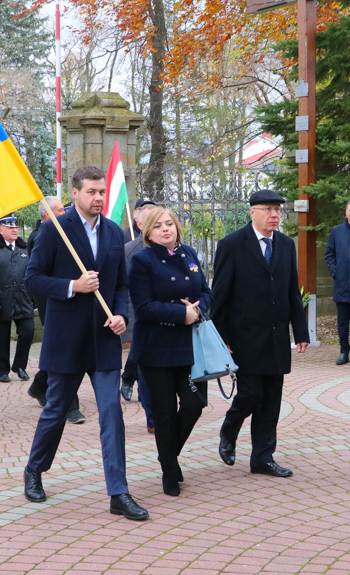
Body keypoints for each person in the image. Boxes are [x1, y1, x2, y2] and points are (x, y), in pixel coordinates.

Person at [23, 165, 147, 521]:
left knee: (112, 414)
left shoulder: (113, 232)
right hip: (66, 339)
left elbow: (121, 284)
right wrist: (71, 286)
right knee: (56, 410)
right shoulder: (54, 231)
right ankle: (34, 469)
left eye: (102, 192)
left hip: (104, 340)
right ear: (74, 193)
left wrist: (121, 314)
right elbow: (32, 279)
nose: (98, 198)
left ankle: (118, 493)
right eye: (91, 192)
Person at [213, 189, 309, 478]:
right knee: (251, 392)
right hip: (244, 337)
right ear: (252, 212)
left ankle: (263, 458)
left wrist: (301, 331)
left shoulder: (285, 245)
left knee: (271, 399)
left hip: (276, 336)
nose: (275, 215)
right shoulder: (231, 244)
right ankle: (229, 430)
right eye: (268, 209)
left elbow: (293, 290)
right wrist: (222, 338)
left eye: (278, 210)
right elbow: (220, 296)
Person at [129, 207, 212, 496]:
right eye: (158, 226)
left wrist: (198, 308)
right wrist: (181, 314)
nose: (166, 229)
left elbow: (206, 291)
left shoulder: (188, 254)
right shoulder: (142, 260)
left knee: (194, 403)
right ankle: (169, 472)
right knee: (164, 413)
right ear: (148, 233)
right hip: (157, 348)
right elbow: (143, 307)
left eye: (170, 224)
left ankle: (168, 457)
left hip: (189, 346)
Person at [25, 197, 86, 425]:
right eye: (61, 210)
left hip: (69, 295)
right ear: (48, 215)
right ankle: (71, 406)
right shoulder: (42, 235)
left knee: (64, 348)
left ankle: (40, 385)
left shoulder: (66, 232)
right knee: (65, 349)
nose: (66, 212)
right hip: (52, 298)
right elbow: (36, 275)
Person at [0, 214, 35, 383]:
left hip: (23, 300)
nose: (14, 230)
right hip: (1, 301)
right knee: (1, 337)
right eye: (10, 227)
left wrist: (32, 296)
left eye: (16, 227)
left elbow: (32, 273)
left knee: (28, 331)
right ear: (0, 230)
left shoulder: (24, 249)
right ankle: (2, 370)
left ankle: (19, 365)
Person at [121, 198, 157, 433]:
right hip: (142, 321)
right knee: (146, 367)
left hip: (171, 322)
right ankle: (152, 418)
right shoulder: (129, 249)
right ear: (139, 221)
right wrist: (128, 325)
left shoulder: (179, 248)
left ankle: (128, 376)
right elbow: (123, 289)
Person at [325, 199, 350, 367]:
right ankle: (344, 351)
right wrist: (336, 272)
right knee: (342, 321)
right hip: (342, 283)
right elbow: (329, 254)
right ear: (346, 212)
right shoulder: (337, 231)